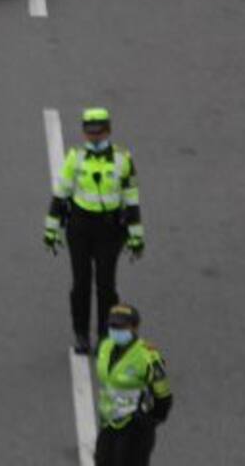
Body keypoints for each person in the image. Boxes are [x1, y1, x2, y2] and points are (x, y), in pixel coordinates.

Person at [43, 107, 144, 355]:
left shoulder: (123, 159)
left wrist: (136, 236)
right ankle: (80, 334)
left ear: (108, 131)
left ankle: (105, 334)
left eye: (99, 133)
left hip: (109, 229)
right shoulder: (75, 158)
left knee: (106, 284)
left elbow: (131, 200)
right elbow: (60, 195)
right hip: (80, 227)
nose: (94, 138)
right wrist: (51, 230)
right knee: (81, 283)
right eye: (90, 134)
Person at [95, 304, 172, 466]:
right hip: (109, 423)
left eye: (121, 326)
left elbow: (163, 397)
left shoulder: (147, 357)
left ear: (135, 328)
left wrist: (147, 421)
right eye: (113, 325)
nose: (116, 330)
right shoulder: (105, 346)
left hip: (134, 427)